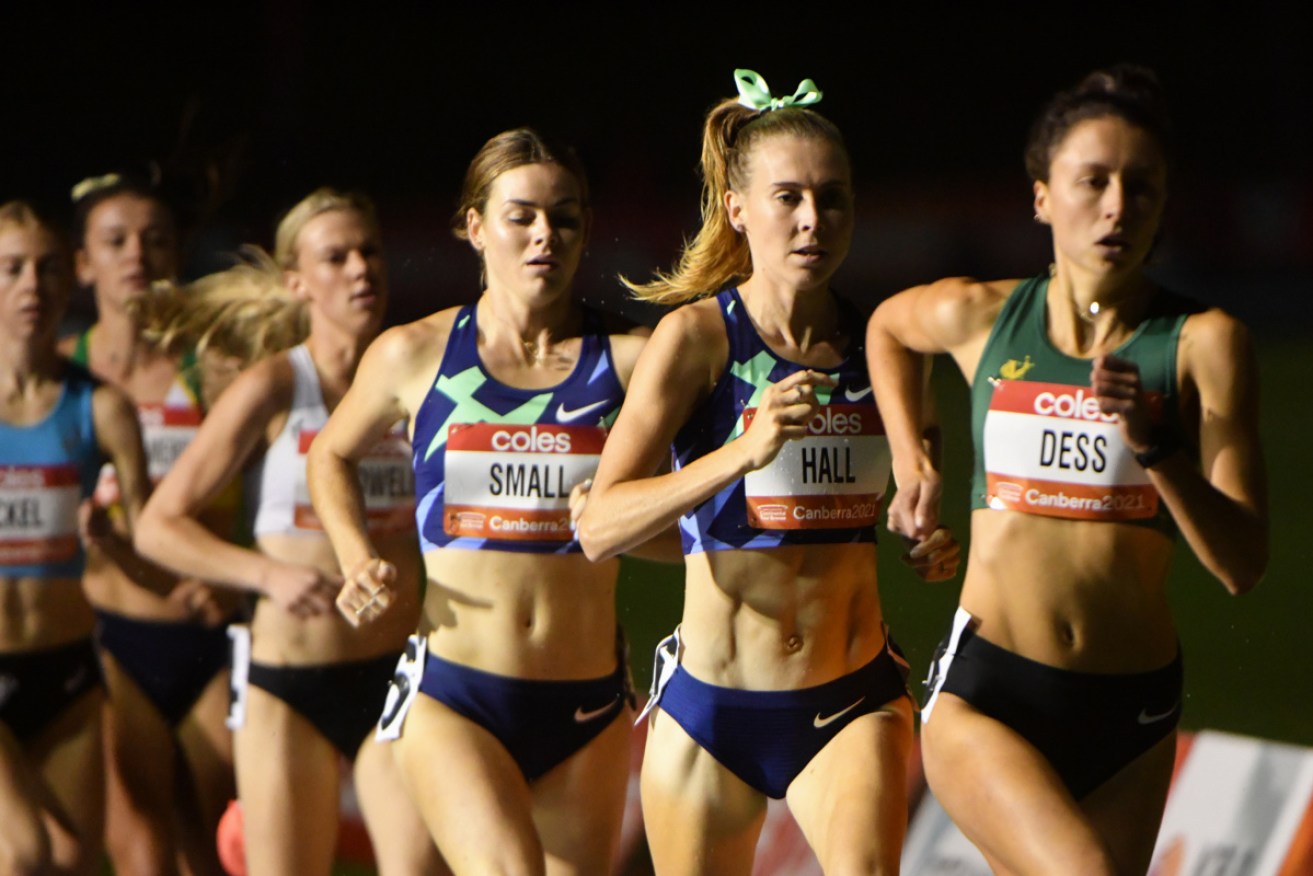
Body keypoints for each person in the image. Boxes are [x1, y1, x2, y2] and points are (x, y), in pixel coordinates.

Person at [866, 64, 1268, 875]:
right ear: (1043, 194)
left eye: (1140, 184)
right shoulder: (980, 315)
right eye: (1092, 181)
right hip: (989, 694)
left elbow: (1240, 565)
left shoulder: (1202, 343)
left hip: (1134, 712)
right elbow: (885, 328)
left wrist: (1154, 446)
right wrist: (917, 469)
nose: (1117, 205)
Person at [578, 70, 959, 875]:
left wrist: (925, 541)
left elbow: (906, 499)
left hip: (850, 697)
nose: (812, 219)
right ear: (737, 209)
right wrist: (737, 455)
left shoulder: (884, 345)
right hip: (709, 708)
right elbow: (598, 526)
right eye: (787, 197)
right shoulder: (694, 342)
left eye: (832, 197)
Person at [310, 128, 652, 875]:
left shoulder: (630, 364)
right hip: (457, 696)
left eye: (564, 217)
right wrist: (355, 555)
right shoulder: (416, 353)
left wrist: (618, 515)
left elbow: (677, 531)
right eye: (520, 216)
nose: (543, 237)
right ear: (474, 227)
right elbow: (330, 454)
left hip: (588, 704)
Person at [133, 189, 441, 876]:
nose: (361, 268)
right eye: (336, 257)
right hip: (284, 683)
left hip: (394, 673)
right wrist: (265, 574)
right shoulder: (275, 386)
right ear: (297, 283)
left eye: (370, 251)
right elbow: (158, 526)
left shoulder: (420, 380)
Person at [62, 171, 241, 875]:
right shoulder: (61, 372)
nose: (136, 253)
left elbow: (277, 494)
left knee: (220, 849)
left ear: (175, 257)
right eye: (115, 240)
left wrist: (241, 575)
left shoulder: (214, 369)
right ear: (83, 262)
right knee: (142, 856)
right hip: (111, 640)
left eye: (154, 239)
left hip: (210, 636)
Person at [0, 201, 150, 875]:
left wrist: (116, 544)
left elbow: (155, 556)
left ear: (70, 282)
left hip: (65, 672)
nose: (31, 285)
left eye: (47, 268)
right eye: (11, 269)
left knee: (72, 861)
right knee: (23, 852)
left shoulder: (103, 407)